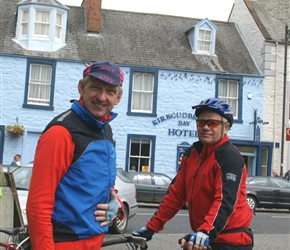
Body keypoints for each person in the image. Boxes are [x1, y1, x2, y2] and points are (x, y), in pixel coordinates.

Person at [26, 61, 125, 250]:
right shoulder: (61, 133)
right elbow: (38, 205)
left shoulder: (105, 130)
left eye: (110, 92)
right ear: (82, 87)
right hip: (63, 242)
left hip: (94, 239)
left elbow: (98, 182)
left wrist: (114, 200)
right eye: (96, 88)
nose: (102, 97)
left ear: (118, 97)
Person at [132, 98, 254, 250]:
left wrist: (206, 231)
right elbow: (175, 196)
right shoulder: (193, 153)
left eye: (213, 123)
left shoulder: (228, 156)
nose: (205, 127)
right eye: (201, 122)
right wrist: (151, 228)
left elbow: (224, 200)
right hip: (204, 236)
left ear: (226, 127)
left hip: (231, 240)